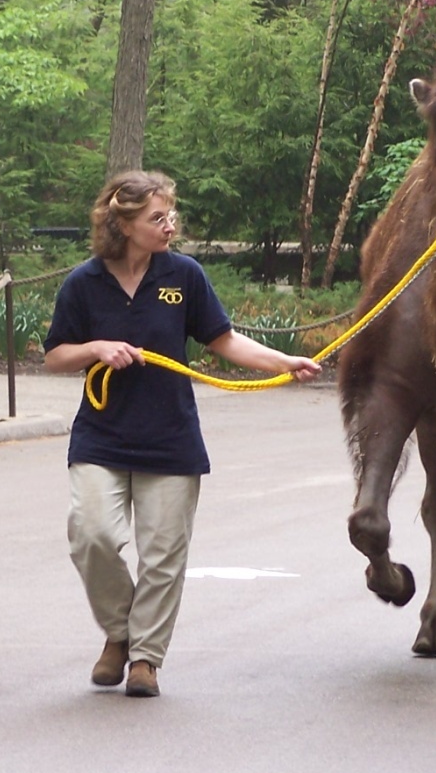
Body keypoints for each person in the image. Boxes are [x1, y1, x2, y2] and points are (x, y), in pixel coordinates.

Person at [43, 170, 322, 698]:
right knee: (92, 535)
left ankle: (145, 657)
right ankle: (120, 633)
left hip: (170, 436)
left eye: (172, 216)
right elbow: (56, 356)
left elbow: (225, 340)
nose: (170, 226)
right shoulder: (84, 282)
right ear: (122, 223)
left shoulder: (184, 276)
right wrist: (97, 348)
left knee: (164, 553)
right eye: (156, 218)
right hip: (101, 435)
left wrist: (283, 361)